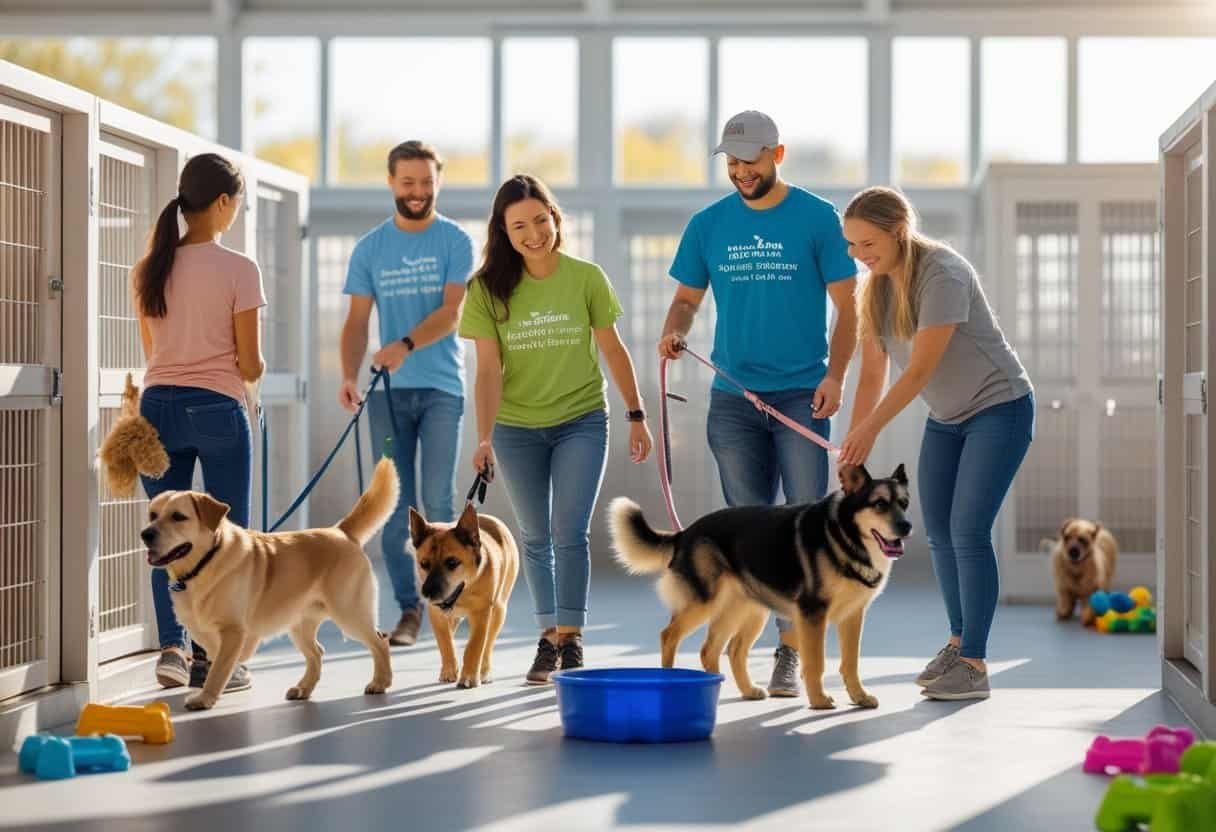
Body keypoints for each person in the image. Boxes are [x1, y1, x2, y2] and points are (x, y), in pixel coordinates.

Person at [657, 110, 858, 697]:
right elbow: (687, 300)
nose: (742, 171)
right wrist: (675, 329)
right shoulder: (708, 224)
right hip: (733, 399)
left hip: (802, 395)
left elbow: (850, 309)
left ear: (778, 154)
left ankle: (790, 651)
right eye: (733, 162)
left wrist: (836, 376)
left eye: (752, 160)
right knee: (750, 532)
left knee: (806, 527)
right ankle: (750, 646)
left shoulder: (818, 218)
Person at [839, 186, 1034, 701]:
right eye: (852, 245)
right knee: (941, 533)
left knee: (968, 530)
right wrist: (855, 450)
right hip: (947, 417)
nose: (859, 255)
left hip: (1000, 408)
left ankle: (975, 664)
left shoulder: (942, 273)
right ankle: (957, 642)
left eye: (868, 243)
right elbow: (873, 374)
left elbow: (920, 370)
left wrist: (870, 430)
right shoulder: (874, 289)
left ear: (899, 232)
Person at [459, 175, 653, 685]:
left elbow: (613, 350)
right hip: (516, 428)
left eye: (541, 220)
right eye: (519, 226)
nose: (534, 234)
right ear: (503, 232)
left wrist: (637, 415)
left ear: (555, 219)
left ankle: (572, 638)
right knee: (535, 536)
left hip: (581, 419)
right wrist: (484, 437)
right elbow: (487, 371)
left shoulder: (586, 278)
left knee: (569, 533)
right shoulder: (485, 289)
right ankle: (548, 638)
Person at [133, 152, 265, 692]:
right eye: (237, 205)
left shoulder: (150, 268)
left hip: (156, 410)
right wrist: (250, 379)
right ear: (223, 203)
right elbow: (250, 364)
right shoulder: (239, 269)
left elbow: (153, 353)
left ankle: (173, 649)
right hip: (217, 409)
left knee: (165, 535)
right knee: (228, 537)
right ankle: (215, 659)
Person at [339, 140, 474, 646]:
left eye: (426, 182)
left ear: (439, 183)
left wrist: (405, 344)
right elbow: (356, 321)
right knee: (394, 508)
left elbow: (452, 313)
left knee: (437, 501)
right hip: (387, 394)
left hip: (441, 389)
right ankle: (410, 610)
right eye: (408, 182)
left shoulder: (455, 240)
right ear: (392, 183)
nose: (417, 191)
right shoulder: (370, 248)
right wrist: (348, 375)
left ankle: (448, 605)